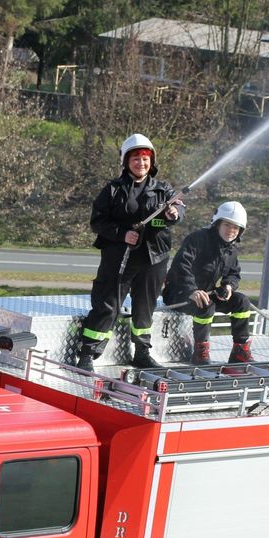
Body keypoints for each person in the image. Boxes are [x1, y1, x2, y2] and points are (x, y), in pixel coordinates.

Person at [75, 133, 184, 372]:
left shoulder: (163, 189)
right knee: (108, 304)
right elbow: (97, 222)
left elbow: (177, 210)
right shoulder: (113, 190)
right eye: (135, 158)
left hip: (154, 257)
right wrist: (122, 234)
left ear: (151, 161)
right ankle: (87, 354)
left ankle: (142, 352)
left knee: (145, 307)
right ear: (126, 162)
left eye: (145, 158)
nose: (141, 163)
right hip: (119, 257)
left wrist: (173, 214)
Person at [163, 201, 254, 365]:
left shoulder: (230, 250)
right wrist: (192, 290)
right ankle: (200, 351)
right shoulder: (197, 239)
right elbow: (180, 266)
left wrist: (228, 286)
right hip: (179, 294)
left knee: (242, 301)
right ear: (217, 223)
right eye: (227, 225)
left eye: (236, 227)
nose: (231, 231)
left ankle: (240, 350)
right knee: (206, 304)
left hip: (207, 294)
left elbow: (234, 274)